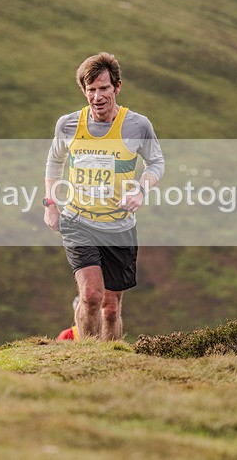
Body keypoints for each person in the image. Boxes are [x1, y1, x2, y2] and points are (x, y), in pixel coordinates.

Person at [44, 52, 165, 340]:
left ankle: (111, 360)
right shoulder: (68, 125)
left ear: (117, 87)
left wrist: (141, 190)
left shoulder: (137, 125)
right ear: (84, 91)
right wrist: (50, 204)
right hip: (78, 220)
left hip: (119, 227)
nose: (97, 97)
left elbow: (156, 162)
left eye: (104, 88)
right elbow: (54, 163)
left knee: (110, 307)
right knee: (90, 295)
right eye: (91, 90)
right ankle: (86, 358)